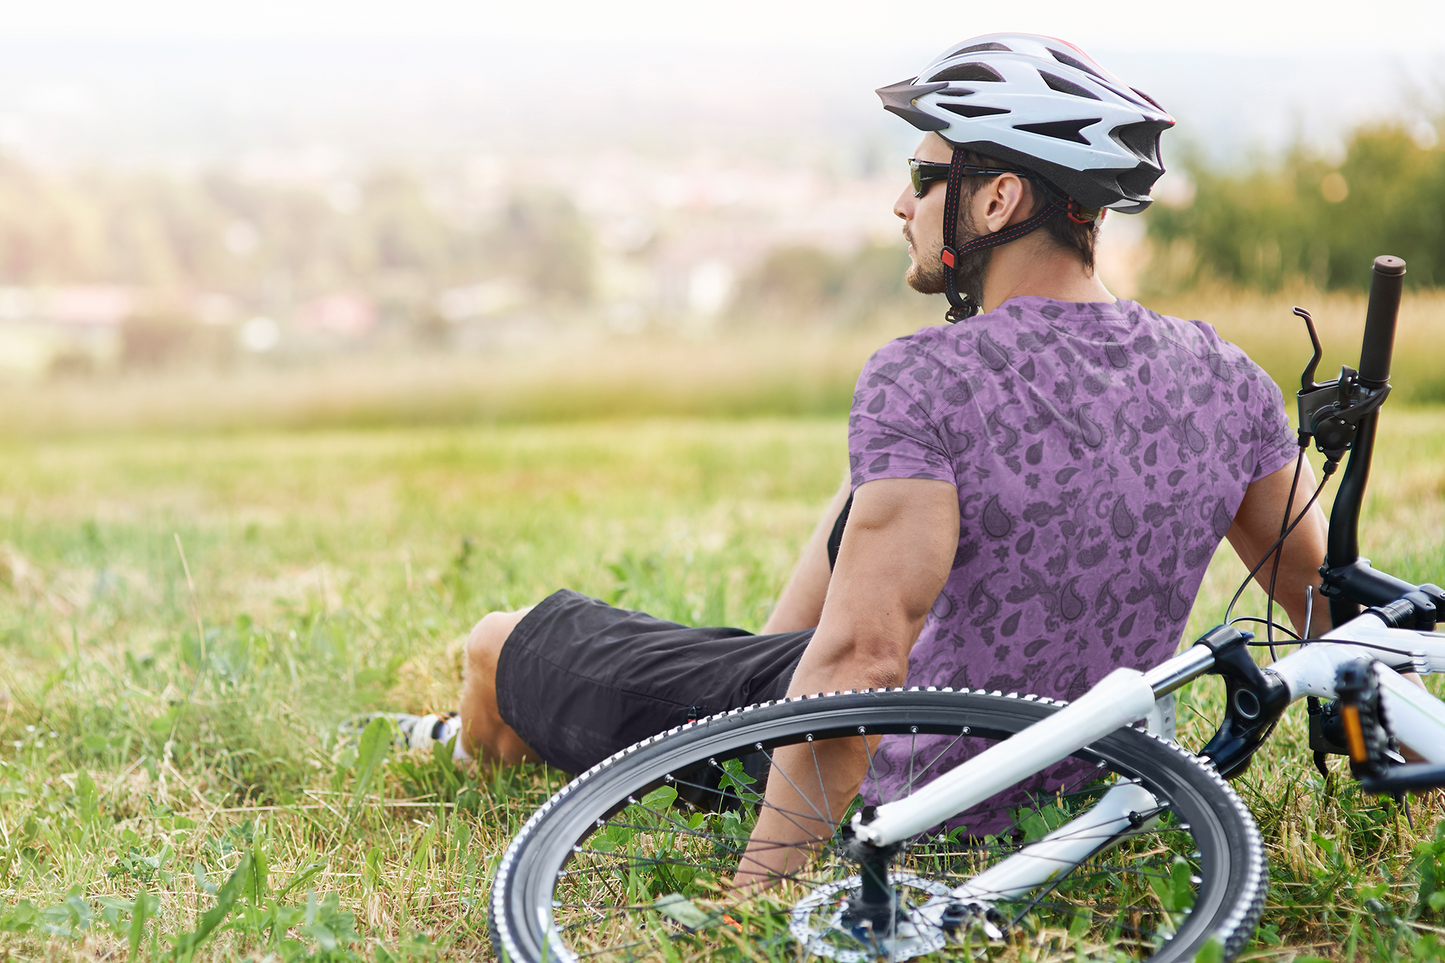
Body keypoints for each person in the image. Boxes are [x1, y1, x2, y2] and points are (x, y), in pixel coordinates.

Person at [383, 34, 1328, 881]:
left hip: (895, 791)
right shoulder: (1225, 373)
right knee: (878, 488)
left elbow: (862, 658)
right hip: (1076, 791)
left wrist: (758, 897)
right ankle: (716, 682)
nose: (900, 202)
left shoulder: (927, 374)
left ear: (999, 197)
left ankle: (468, 746)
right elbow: (1329, 604)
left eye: (924, 177)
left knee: (498, 643)